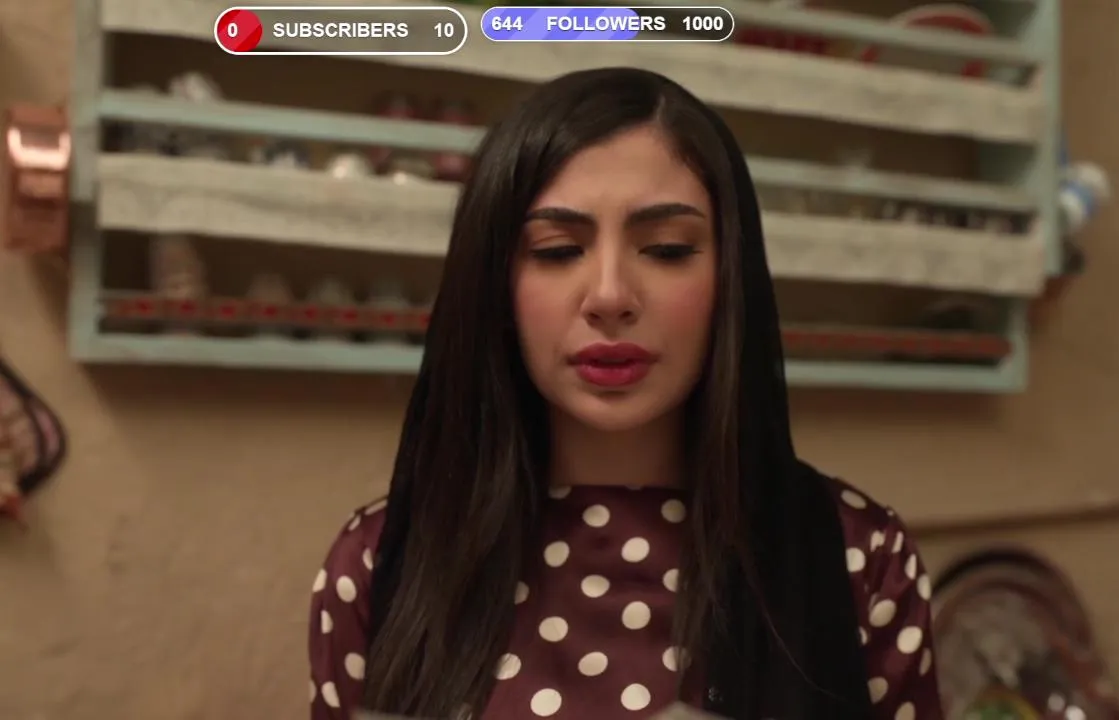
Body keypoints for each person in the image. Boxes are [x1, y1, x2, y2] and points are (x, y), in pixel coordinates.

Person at [309, 67, 940, 720]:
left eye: (666, 249)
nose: (610, 296)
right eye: (557, 250)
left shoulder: (858, 558)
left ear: (731, 277)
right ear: (494, 283)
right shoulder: (379, 562)